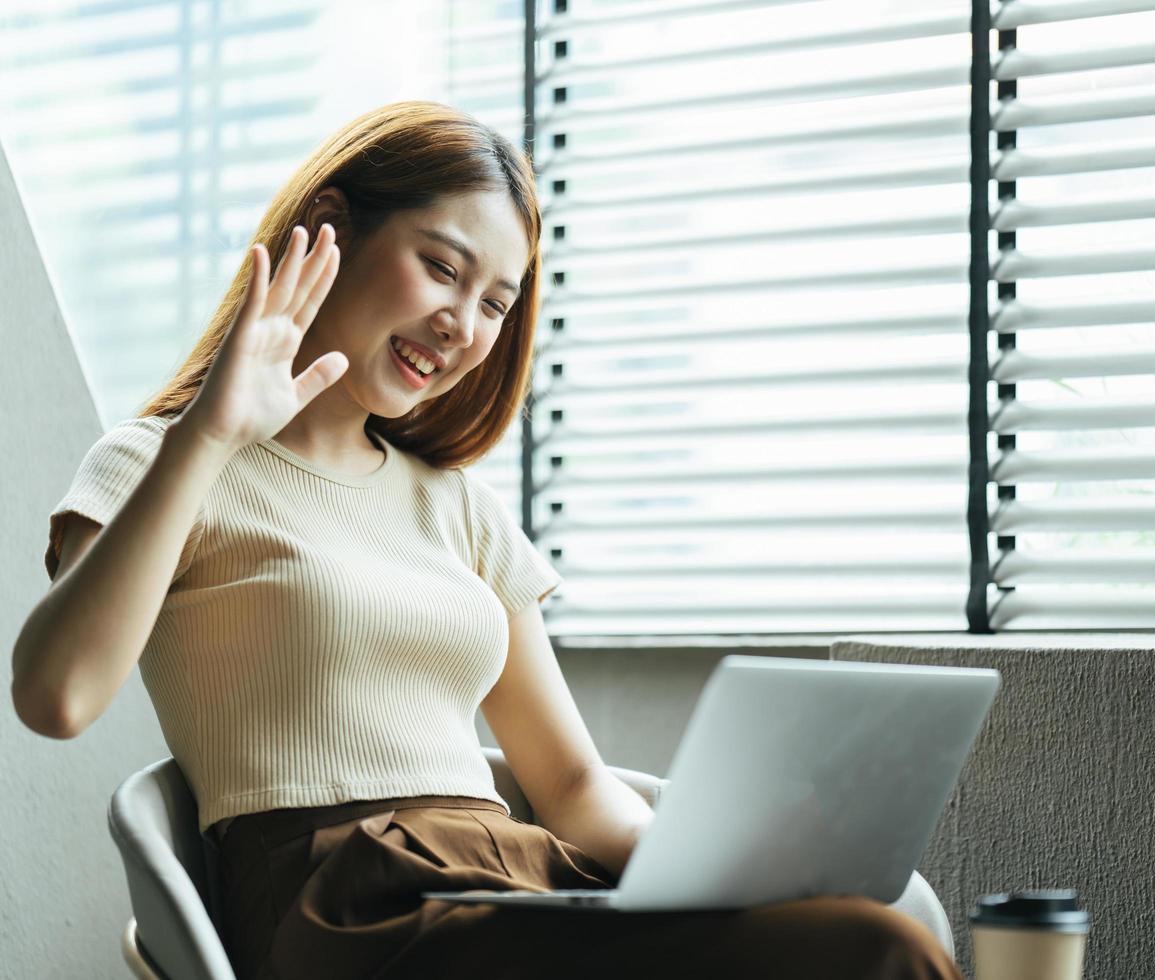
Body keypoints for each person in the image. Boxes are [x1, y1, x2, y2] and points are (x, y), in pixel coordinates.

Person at [12, 99, 962, 980]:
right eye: (443, 267)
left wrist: (724, 869)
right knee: (874, 954)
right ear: (332, 226)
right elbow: (56, 697)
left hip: (514, 873)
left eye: (496, 303)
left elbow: (575, 782)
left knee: (877, 931)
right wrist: (212, 433)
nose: (463, 327)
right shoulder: (163, 459)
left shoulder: (455, 505)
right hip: (353, 906)